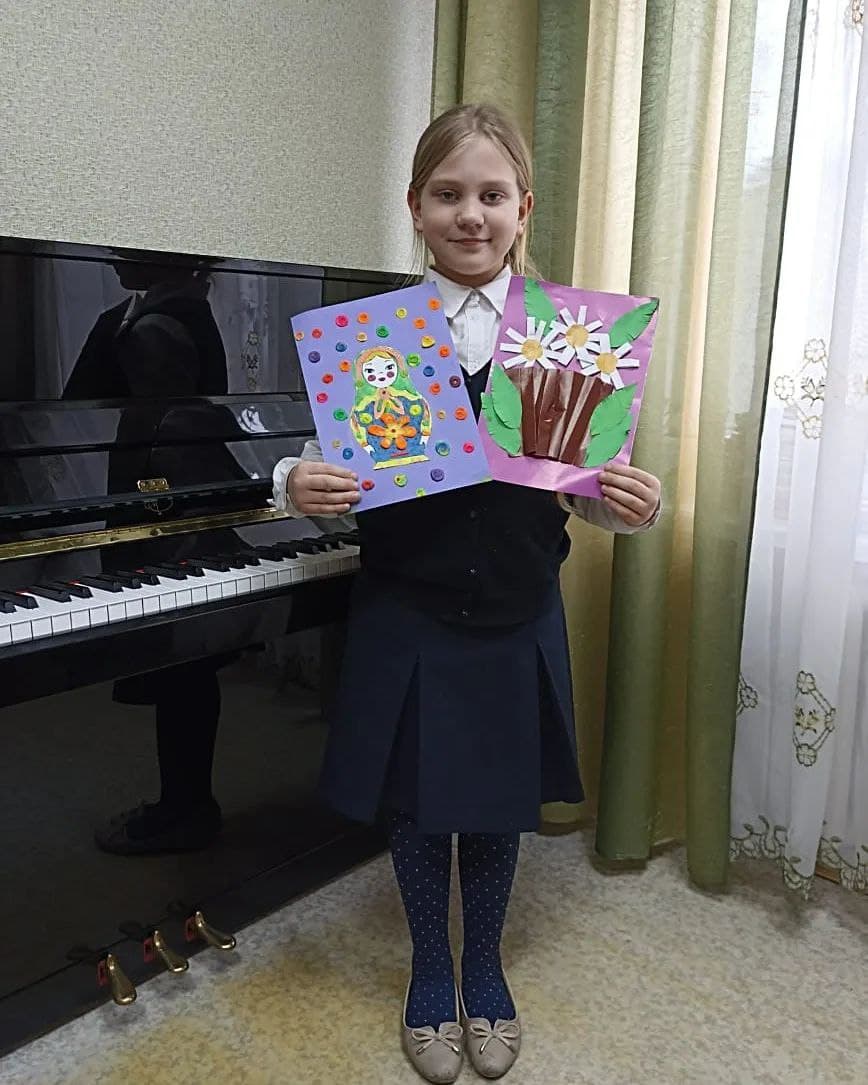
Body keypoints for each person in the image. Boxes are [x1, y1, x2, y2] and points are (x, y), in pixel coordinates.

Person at [272, 104, 661, 1083]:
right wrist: (291, 482)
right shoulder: (372, 336)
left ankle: (483, 965)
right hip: (406, 609)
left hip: (516, 611)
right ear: (416, 207)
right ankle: (429, 973)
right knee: (416, 806)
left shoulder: (567, 340)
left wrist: (629, 502)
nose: (471, 214)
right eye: (448, 194)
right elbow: (327, 465)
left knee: (491, 803)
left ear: (523, 208)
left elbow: (587, 492)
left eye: (491, 195)